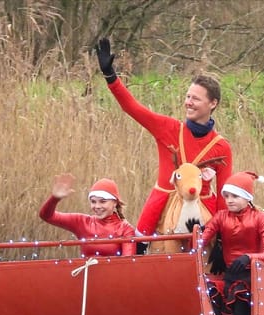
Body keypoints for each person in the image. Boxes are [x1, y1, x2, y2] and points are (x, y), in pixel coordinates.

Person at [95, 38, 233, 252]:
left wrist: (222, 234)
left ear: (212, 103)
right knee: (139, 258)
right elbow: (133, 108)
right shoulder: (168, 128)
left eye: (195, 99)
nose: (188, 102)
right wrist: (110, 76)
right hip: (160, 209)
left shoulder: (221, 147)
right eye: (187, 97)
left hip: (202, 215)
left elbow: (225, 195)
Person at [199, 171, 264, 315]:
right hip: (229, 276)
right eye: (226, 196)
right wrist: (196, 240)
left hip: (252, 277)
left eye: (235, 196)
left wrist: (248, 258)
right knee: (209, 289)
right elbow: (201, 241)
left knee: (241, 293)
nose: (229, 200)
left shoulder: (261, 218)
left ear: (247, 198)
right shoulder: (221, 216)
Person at [39, 173, 135, 257]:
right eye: (93, 202)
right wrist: (54, 198)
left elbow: (127, 263)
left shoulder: (125, 229)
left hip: (115, 277)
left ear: (115, 202)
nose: (97, 206)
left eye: (103, 201)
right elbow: (47, 216)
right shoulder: (82, 222)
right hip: (85, 276)